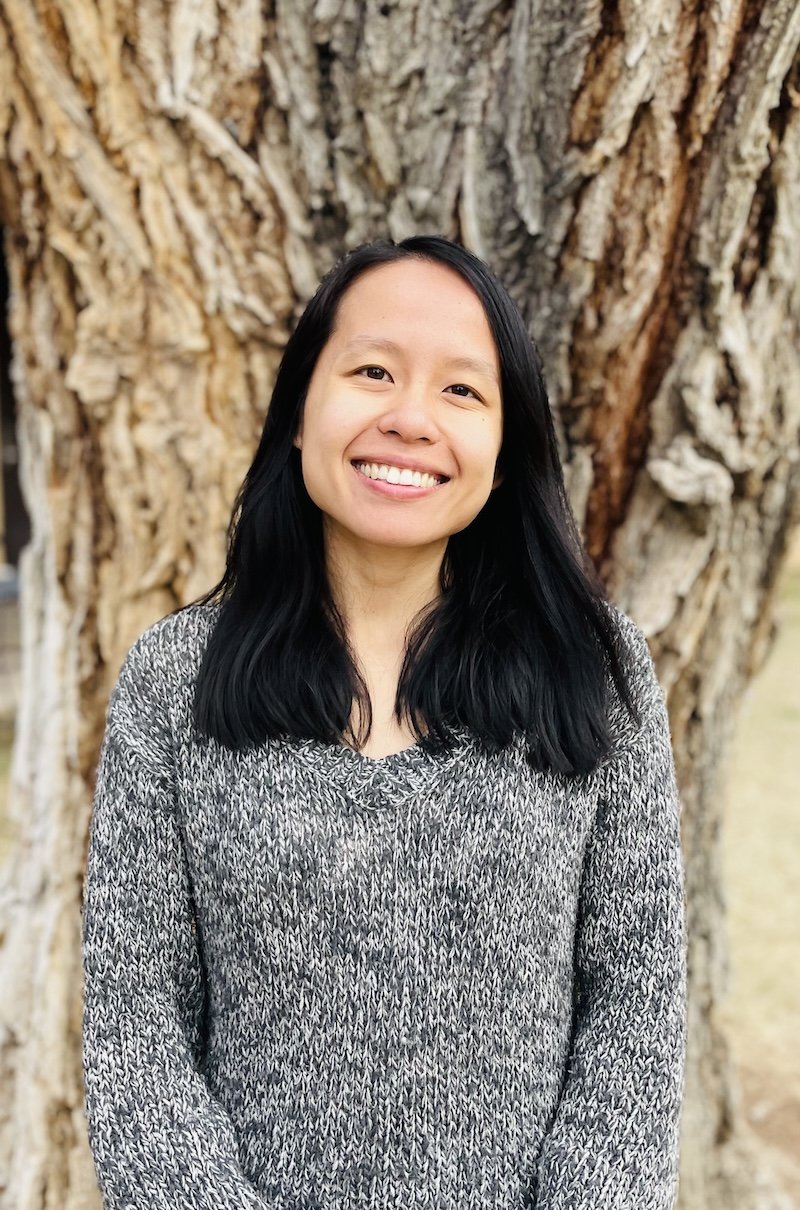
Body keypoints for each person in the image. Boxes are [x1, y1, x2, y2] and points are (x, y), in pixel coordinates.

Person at [81, 235, 688, 1209]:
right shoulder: (176, 677)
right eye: (371, 371)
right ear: (298, 413)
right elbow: (135, 1018)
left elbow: (633, 1003)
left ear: (504, 448)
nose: (409, 418)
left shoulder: (591, 671)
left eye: (461, 391)